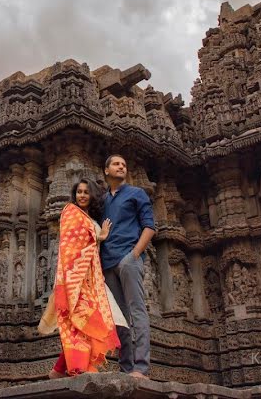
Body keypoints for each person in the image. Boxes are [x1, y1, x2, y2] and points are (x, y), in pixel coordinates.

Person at [38, 178, 126, 377]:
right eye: (79, 192)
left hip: (91, 279)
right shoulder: (71, 212)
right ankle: (77, 367)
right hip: (74, 277)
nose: (82, 195)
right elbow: (71, 243)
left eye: (86, 192)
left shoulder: (88, 218)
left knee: (90, 321)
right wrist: (99, 237)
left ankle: (60, 369)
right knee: (79, 321)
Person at [101, 154, 155, 378]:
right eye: (116, 164)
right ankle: (125, 366)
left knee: (137, 311)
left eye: (124, 164)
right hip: (107, 263)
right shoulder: (102, 200)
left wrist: (134, 255)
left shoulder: (136, 193)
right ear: (106, 171)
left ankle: (141, 366)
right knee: (119, 317)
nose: (121, 167)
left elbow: (150, 227)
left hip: (128, 260)